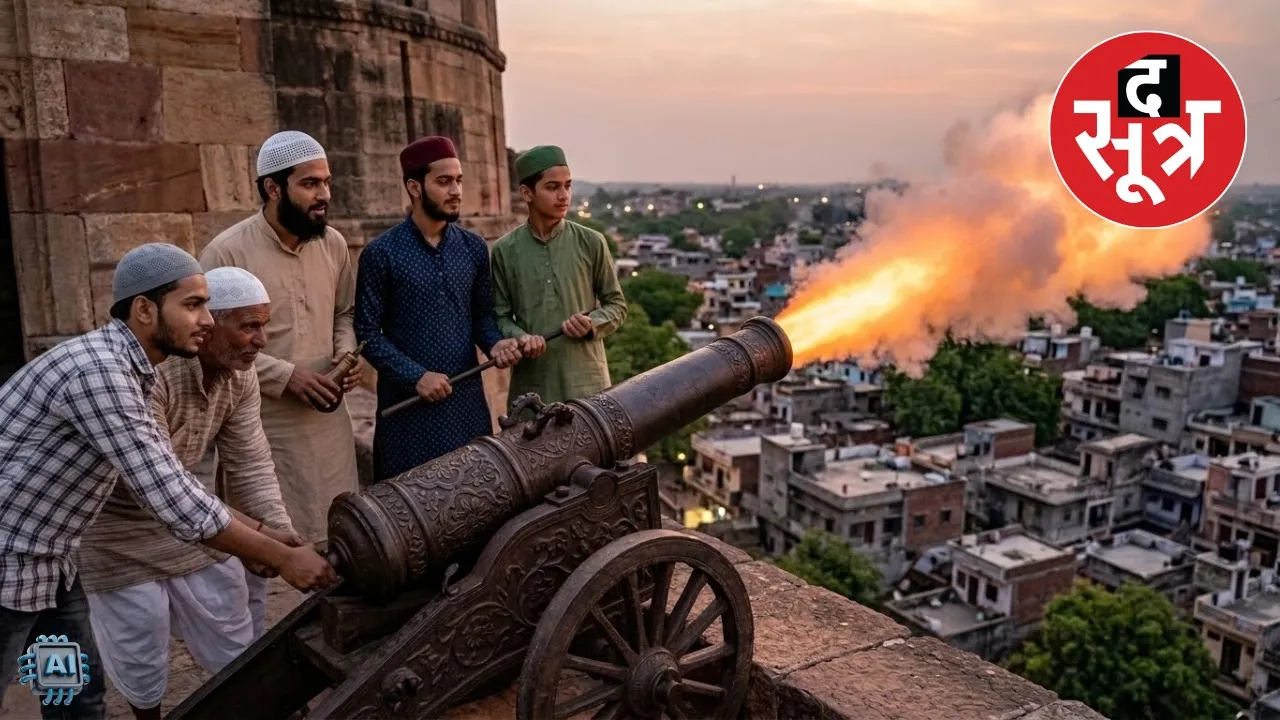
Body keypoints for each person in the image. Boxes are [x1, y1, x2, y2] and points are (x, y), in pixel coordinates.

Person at [0, 244, 336, 720]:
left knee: (74, 694)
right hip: (9, 559)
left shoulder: (133, 369)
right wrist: (279, 556)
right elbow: (173, 497)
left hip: (54, 562)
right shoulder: (102, 374)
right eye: (194, 305)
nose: (205, 319)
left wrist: (268, 533)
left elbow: (229, 469)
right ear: (144, 310)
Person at [74, 267, 301, 720]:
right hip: (117, 527)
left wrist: (281, 533)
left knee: (229, 612)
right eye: (249, 326)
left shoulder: (241, 376)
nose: (261, 341)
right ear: (210, 324)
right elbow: (155, 487)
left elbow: (251, 462)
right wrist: (265, 543)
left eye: (264, 325)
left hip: (191, 516)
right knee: (140, 638)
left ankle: (250, 702)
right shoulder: (150, 373)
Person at [200, 130, 362, 545]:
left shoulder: (333, 244)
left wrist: (345, 357)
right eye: (309, 184)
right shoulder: (227, 253)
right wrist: (287, 377)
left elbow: (343, 314)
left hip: (329, 424)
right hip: (262, 424)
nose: (323, 193)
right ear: (273, 188)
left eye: (326, 182)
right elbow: (211, 339)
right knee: (269, 546)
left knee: (340, 537)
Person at [355, 136, 522, 480]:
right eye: (444, 181)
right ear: (415, 187)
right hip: (409, 411)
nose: (455, 190)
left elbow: (481, 318)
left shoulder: (473, 247)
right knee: (410, 514)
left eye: (458, 180)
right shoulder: (381, 254)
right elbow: (367, 333)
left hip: (466, 404)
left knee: (477, 498)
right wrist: (416, 376)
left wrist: (496, 344)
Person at [492, 145, 628, 407]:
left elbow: (617, 306)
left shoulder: (592, 242)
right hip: (532, 390)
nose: (564, 195)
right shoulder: (504, 250)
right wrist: (521, 336)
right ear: (526, 193)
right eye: (552, 187)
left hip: (589, 385)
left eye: (567, 186)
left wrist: (592, 322)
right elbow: (500, 315)